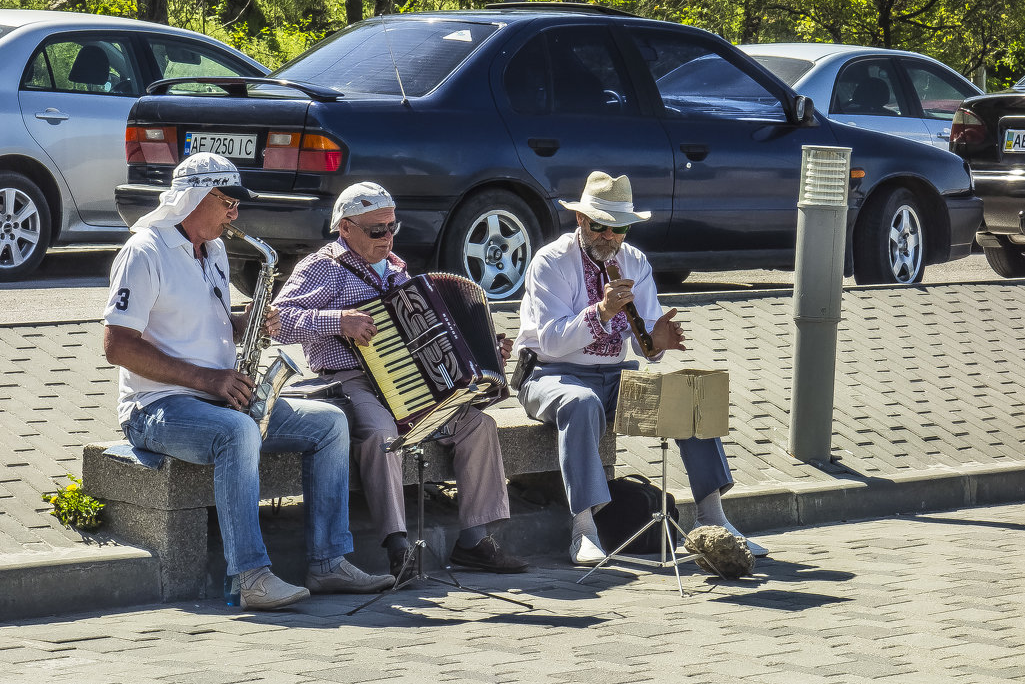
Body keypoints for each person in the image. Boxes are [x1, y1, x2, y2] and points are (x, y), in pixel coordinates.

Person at [103, 153, 394, 611]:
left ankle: (328, 562)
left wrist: (248, 324)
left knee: (330, 423)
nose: (235, 214)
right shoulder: (144, 251)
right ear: (195, 198)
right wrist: (208, 378)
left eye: (237, 204)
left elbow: (200, 324)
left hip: (215, 397)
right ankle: (250, 576)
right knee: (238, 431)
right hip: (156, 407)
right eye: (228, 202)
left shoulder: (214, 249)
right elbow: (117, 345)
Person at [272, 181, 528, 578]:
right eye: (377, 230)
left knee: (478, 424)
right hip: (351, 377)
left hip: (413, 379)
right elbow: (278, 320)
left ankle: (474, 540)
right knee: (380, 434)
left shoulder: (397, 268)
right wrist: (337, 321)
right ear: (345, 228)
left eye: (392, 227)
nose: (387, 237)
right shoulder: (321, 266)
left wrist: (486, 351)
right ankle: (398, 547)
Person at [514, 171, 770, 565]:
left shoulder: (635, 262)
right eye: (600, 226)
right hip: (550, 375)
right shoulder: (551, 261)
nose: (609, 238)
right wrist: (601, 312)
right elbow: (550, 341)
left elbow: (644, 342)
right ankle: (583, 530)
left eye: (620, 229)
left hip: (615, 375)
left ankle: (714, 519)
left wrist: (657, 344)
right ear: (581, 220)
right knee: (580, 403)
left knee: (688, 397)